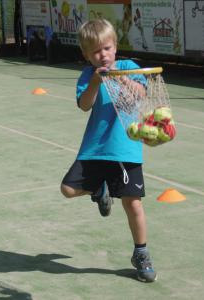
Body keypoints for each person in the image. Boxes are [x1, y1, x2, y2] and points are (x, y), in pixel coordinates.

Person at [60, 19, 157, 283]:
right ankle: (100, 190)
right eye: (95, 51)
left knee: (132, 203)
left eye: (107, 48)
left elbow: (139, 95)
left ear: (115, 47)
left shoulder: (128, 67)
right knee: (68, 189)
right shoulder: (86, 75)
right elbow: (84, 105)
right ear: (86, 55)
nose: (102, 55)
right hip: (94, 148)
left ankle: (141, 253)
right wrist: (95, 81)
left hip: (125, 149)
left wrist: (119, 77)